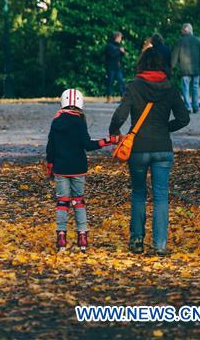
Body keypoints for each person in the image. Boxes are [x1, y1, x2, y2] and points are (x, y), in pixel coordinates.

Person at [109, 48, 190, 256]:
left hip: (138, 149)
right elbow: (184, 119)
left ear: (142, 64)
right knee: (161, 196)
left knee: (138, 194)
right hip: (163, 148)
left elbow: (119, 115)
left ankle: (136, 241)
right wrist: (165, 129)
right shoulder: (170, 89)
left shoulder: (134, 86)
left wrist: (114, 132)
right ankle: (160, 244)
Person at [45, 89, 116, 252]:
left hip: (61, 169)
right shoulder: (79, 122)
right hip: (78, 169)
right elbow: (87, 145)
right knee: (78, 201)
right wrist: (107, 141)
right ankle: (82, 237)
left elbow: (50, 147)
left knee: (62, 202)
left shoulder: (56, 121)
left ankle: (61, 237)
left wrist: (50, 165)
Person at [171, 23, 200, 114]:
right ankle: (196, 106)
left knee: (185, 88)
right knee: (195, 88)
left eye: (182, 30)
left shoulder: (180, 41)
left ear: (184, 30)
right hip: (196, 70)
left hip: (185, 69)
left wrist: (171, 66)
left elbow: (174, 56)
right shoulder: (197, 41)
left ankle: (188, 107)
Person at [103, 32, 127, 102]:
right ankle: (109, 98)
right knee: (110, 82)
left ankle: (123, 97)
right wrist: (119, 50)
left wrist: (122, 52)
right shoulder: (109, 46)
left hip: (118, 67)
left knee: (121, 82)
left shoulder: (119, 45)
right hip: (110, 67)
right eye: (120, 38)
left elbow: (120, 56)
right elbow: (111, 55)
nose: (121, 39)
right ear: (117, 37)